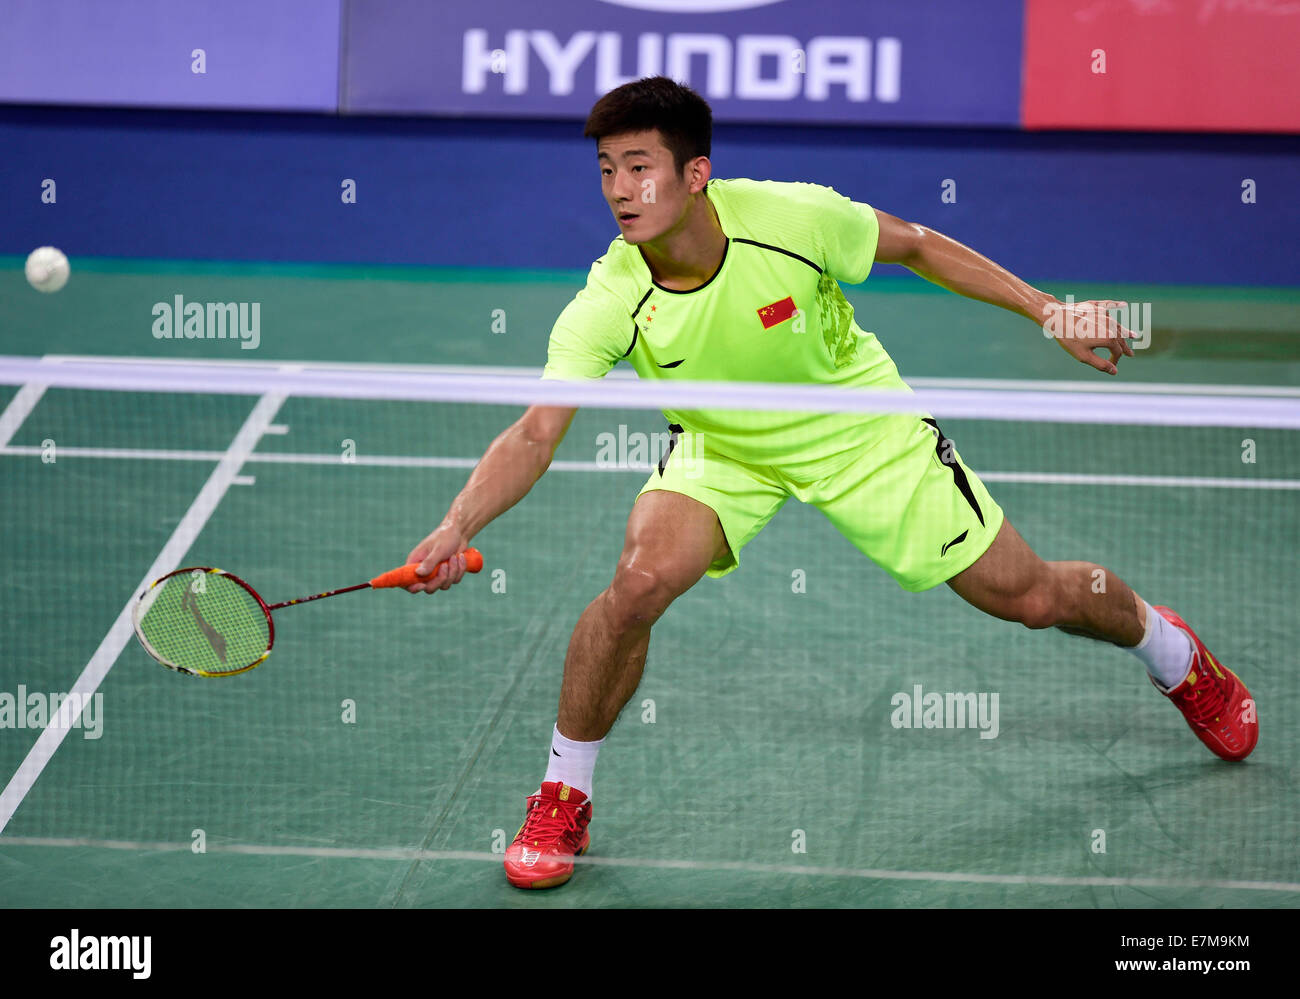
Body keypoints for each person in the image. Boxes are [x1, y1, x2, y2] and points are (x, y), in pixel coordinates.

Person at [405, 77, 1258, 890]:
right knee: (634, 586)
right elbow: (534, 430)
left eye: (639, 168)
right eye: (606, 171)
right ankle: (565, 794)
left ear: (694, 174)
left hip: (860, 430)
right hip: (723, 444)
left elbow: (918, 244)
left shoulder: (792, 215)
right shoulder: (611, 295)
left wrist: (1047, 308)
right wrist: (457, 523)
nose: (619, 190)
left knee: (1027, 594)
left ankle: (1173, 652)